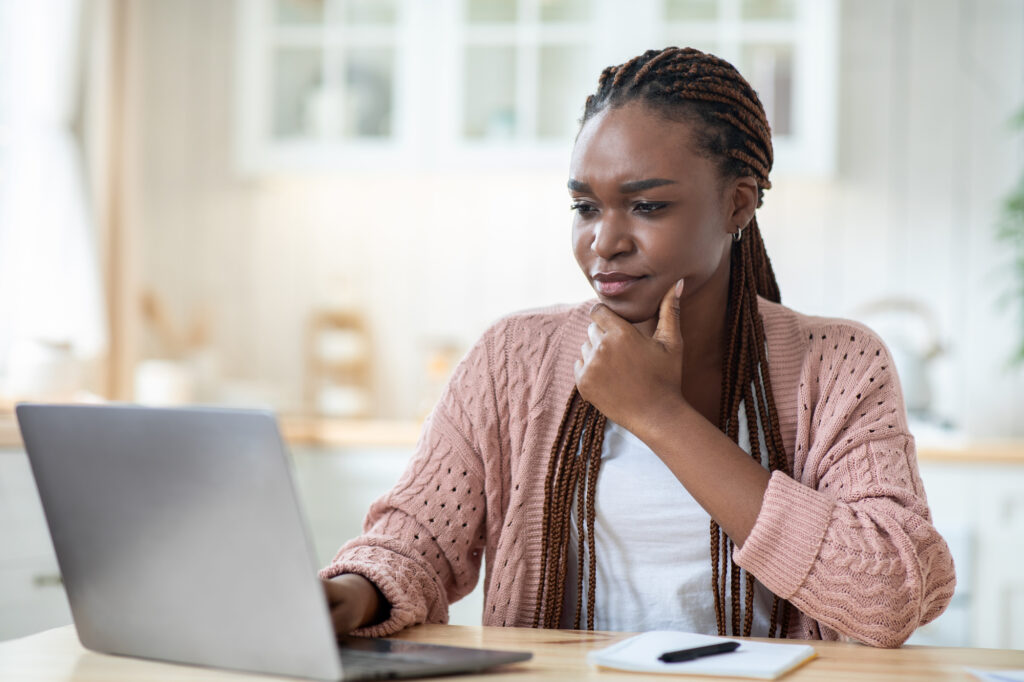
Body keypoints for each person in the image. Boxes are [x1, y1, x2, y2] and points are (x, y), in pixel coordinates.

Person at [319, 47, 956, 648]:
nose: (605, 241)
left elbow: (890, 597)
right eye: (585, 206)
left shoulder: (839, 364)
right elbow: (412, 546)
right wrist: (351, 595)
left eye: (647, 205)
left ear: (737, 204)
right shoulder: (512, 358)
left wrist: (660, 415)